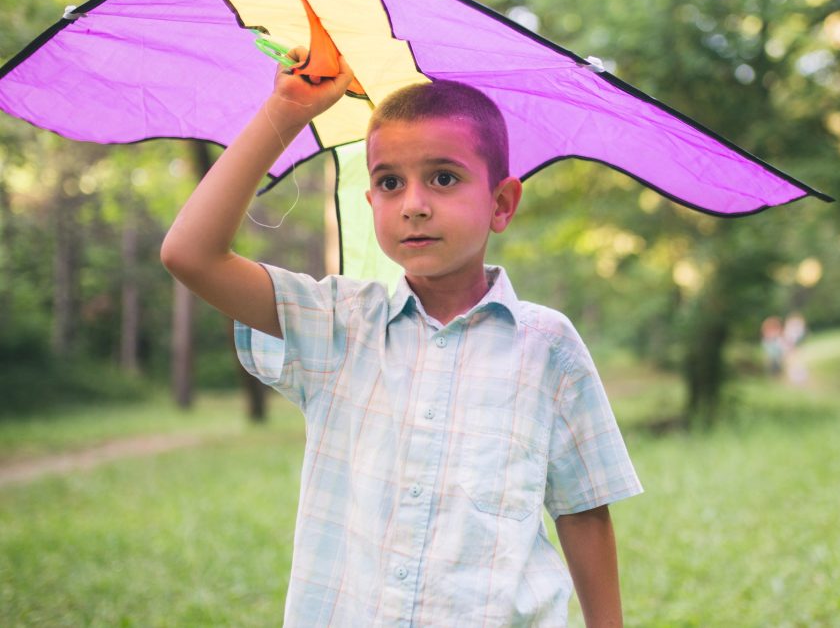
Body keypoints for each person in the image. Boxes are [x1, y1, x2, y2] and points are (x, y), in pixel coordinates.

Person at [160, 49, 642, 627]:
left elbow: (583, 510)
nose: (413, 205)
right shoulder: (339, 325)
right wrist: (287, 111)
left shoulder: (547, 346)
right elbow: (190, 255)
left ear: (501, 204)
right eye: (390, 182)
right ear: (372, 205)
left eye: (444, 178)